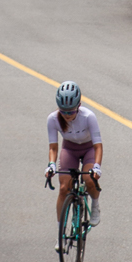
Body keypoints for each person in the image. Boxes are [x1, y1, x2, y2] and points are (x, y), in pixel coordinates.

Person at [46, 81, 102, 229]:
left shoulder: (89, 116)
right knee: (64, 188)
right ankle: (60, 231)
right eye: (63, 111)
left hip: (89, 149)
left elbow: (98, 146)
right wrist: (51, 165)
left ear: (79, 106)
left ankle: (95, 205)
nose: (67, 115)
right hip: (69, 150)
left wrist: (97, 166)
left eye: (71, 112)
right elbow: (53, 147)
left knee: (89, 179)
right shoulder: (52, 119)